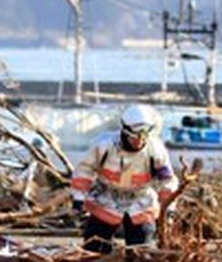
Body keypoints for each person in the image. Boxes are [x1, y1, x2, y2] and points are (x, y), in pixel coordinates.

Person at [70, 104, 178, 253]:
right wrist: (78, 198)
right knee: (95, 246)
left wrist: (169, 208)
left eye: (143, 137)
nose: (138, 142)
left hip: (141, 201)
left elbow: (167, 180)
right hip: (106, 199)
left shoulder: (155, 150)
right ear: (125, 132)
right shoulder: (104, 146)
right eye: (134, 137)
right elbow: (84, 170)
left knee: (141, 250)